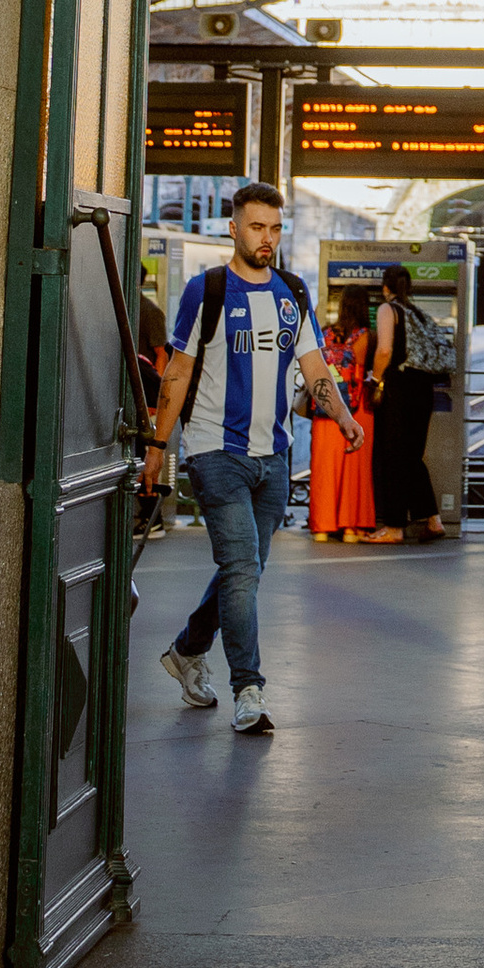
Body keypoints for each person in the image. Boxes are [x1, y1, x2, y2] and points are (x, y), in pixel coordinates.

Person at [141, 179, 362, 731]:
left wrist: (343, 415)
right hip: (217, 451)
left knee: (246, 571)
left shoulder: (292, 291)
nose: (267, 238)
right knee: (240, 569)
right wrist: (156, 448)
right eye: (257, 227)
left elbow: (314, 365)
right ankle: (249, 689)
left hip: (275, 457)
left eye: (275, 228)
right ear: (233, 228)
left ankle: (188, 649)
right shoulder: (207, 290)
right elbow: (178, 370)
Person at [369, 262, 446, 542]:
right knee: (413, 456)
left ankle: (394, 526)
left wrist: (375, 380)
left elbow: (385, 349)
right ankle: (434, 520)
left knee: (393, 457)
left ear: (385, 287)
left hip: (399, 388)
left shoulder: (388, 309)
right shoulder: (419, 313)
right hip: (424, 389)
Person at [308, 284, 376, 541]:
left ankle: (322, 528)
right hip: (357, 410)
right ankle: (350, 527)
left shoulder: (325, 333)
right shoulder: (364, 336)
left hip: (326, 409)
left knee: (324, 468)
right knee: (353, 471)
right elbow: (360, 368)